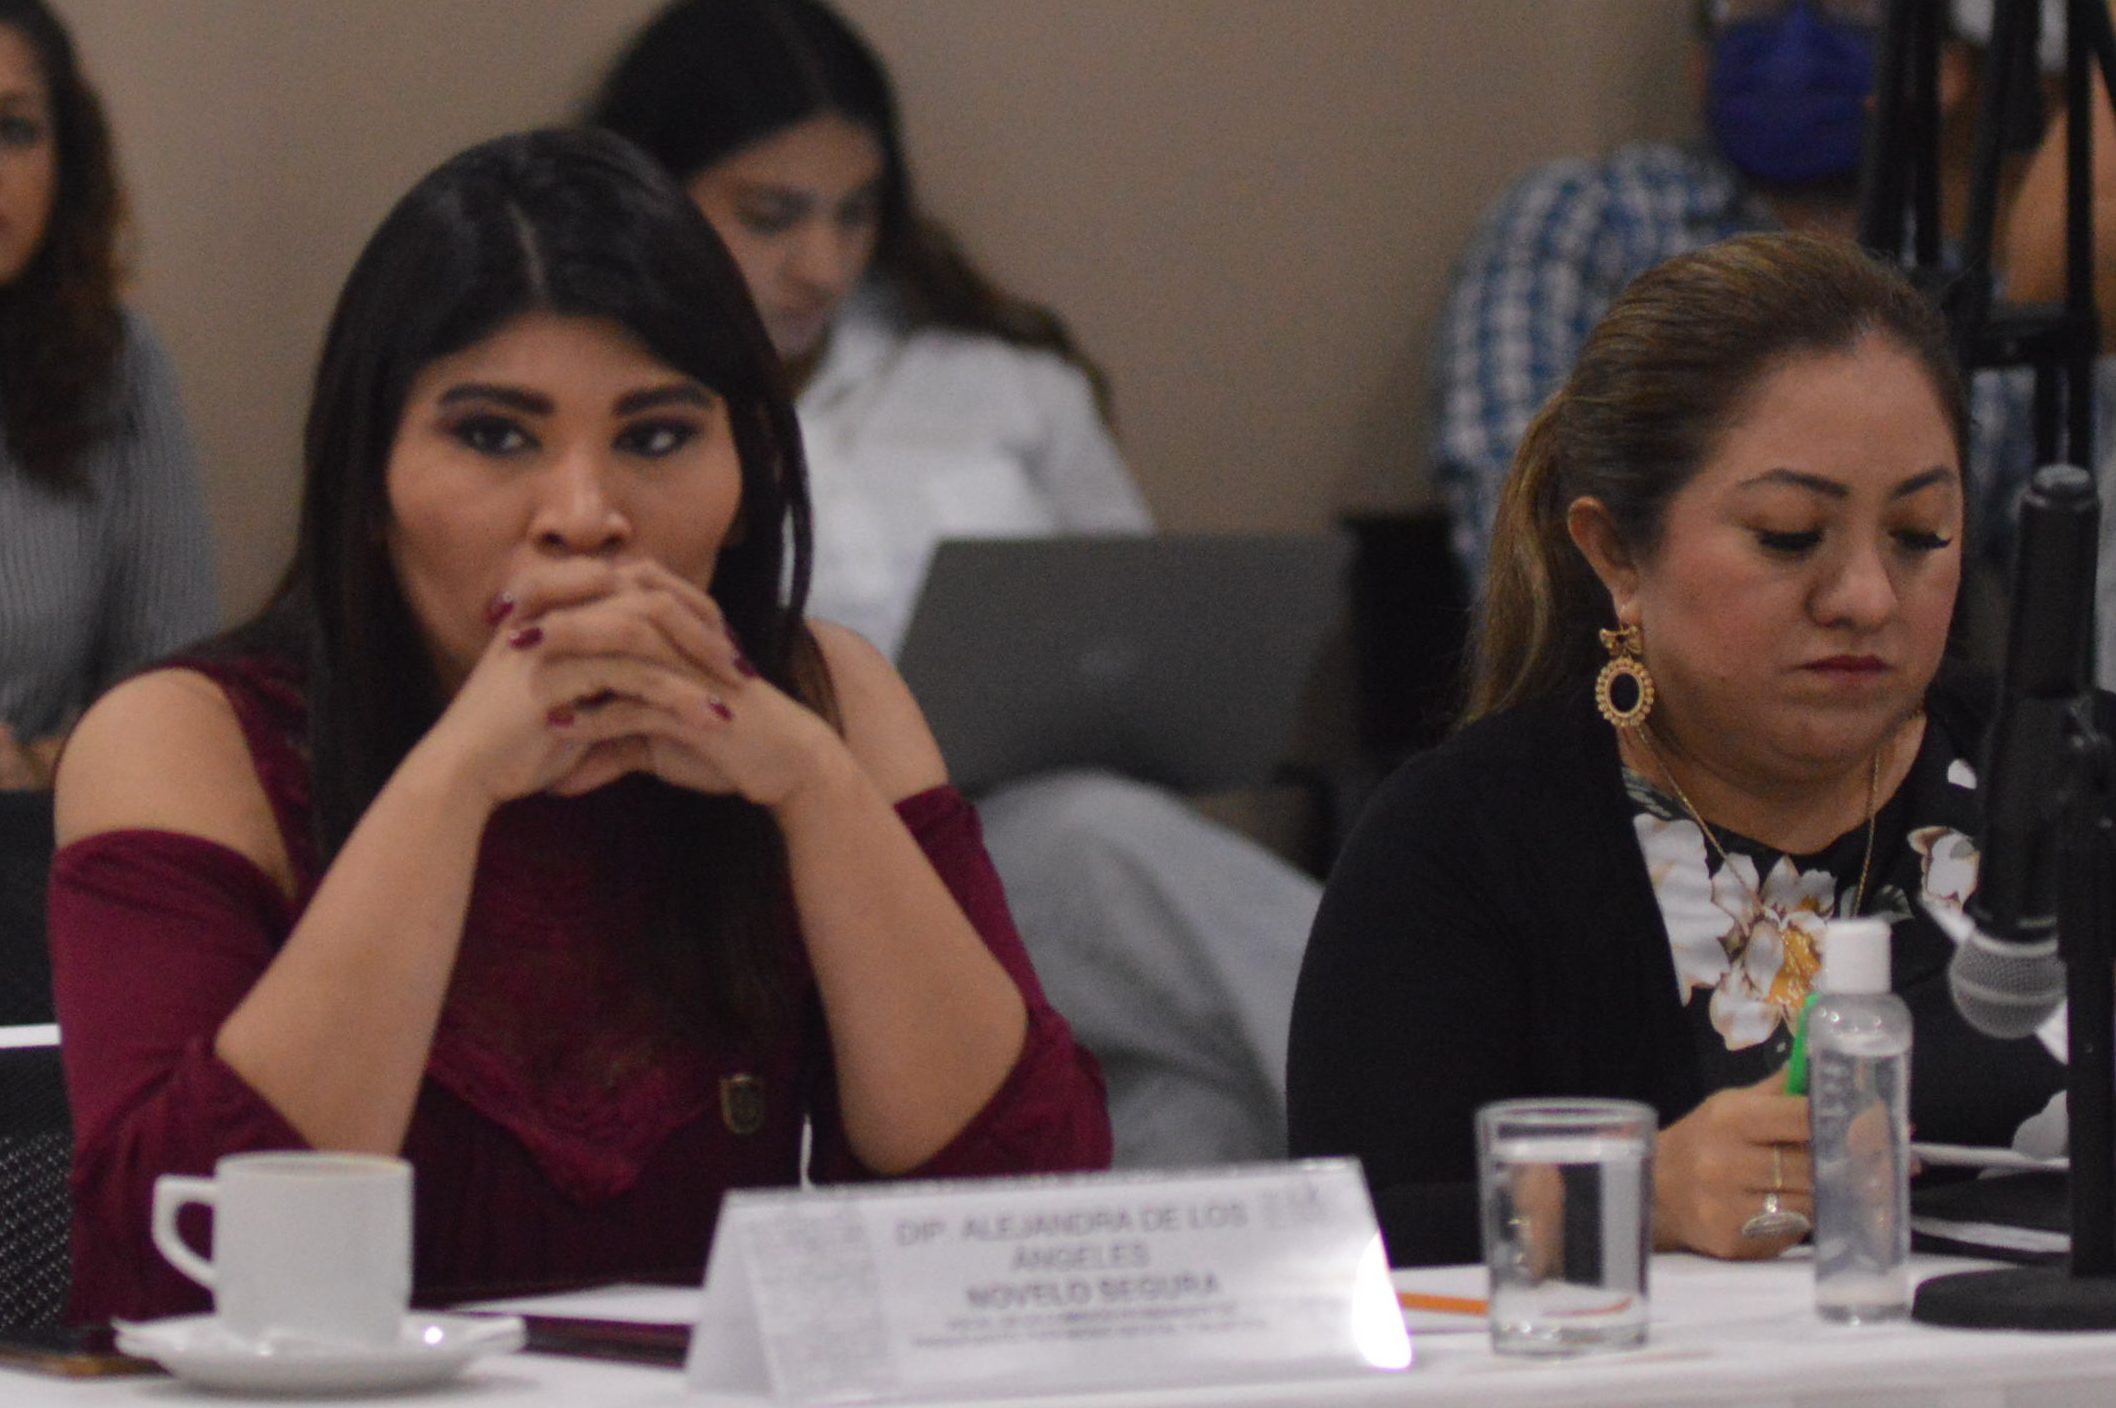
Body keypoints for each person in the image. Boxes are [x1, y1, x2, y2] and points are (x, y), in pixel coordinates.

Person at [47, 128, 1110, 1322]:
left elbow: (1026, 1227)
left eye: (656, 437)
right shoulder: (185, 740)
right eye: (494, 435)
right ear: (368, 480)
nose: (584, 515)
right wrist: (454, 781)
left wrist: (815, 790)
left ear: (751, 474)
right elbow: (173, 1268)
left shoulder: (830, 704)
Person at [590, 0, 1319, 1169]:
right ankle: (1465, 1095)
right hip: (789, 860)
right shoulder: (622, 410)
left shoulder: (998, 381)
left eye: (855, 213)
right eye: (770, 216)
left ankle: (1408, 1157)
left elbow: (1136, 617)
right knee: (1094, 839)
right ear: (657, 193)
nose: (822, 263)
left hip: (1050, 835)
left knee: (1198, 1108)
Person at [1290, 232, 2070, 1267]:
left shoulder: (2074, 785)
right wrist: (1637, 1194)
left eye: (1920, 533)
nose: (1868, 598)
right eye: (1789, 534)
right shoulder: (1462, 843)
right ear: (1617, 551)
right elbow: (1332, 1244)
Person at [1429, 0, 2103, 593]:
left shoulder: (1965, 295)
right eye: (1755, 6)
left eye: (1849, 6)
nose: (1797, 37)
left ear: (1945, 74)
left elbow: (2071, 563)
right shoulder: (1587, 222)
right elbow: (1522, 533)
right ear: (1700, 59)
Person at [0, 0, 215, 791]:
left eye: (14, 130)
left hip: (29, 834)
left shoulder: (114, 366)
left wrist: (32, 763)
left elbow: (177, 706)